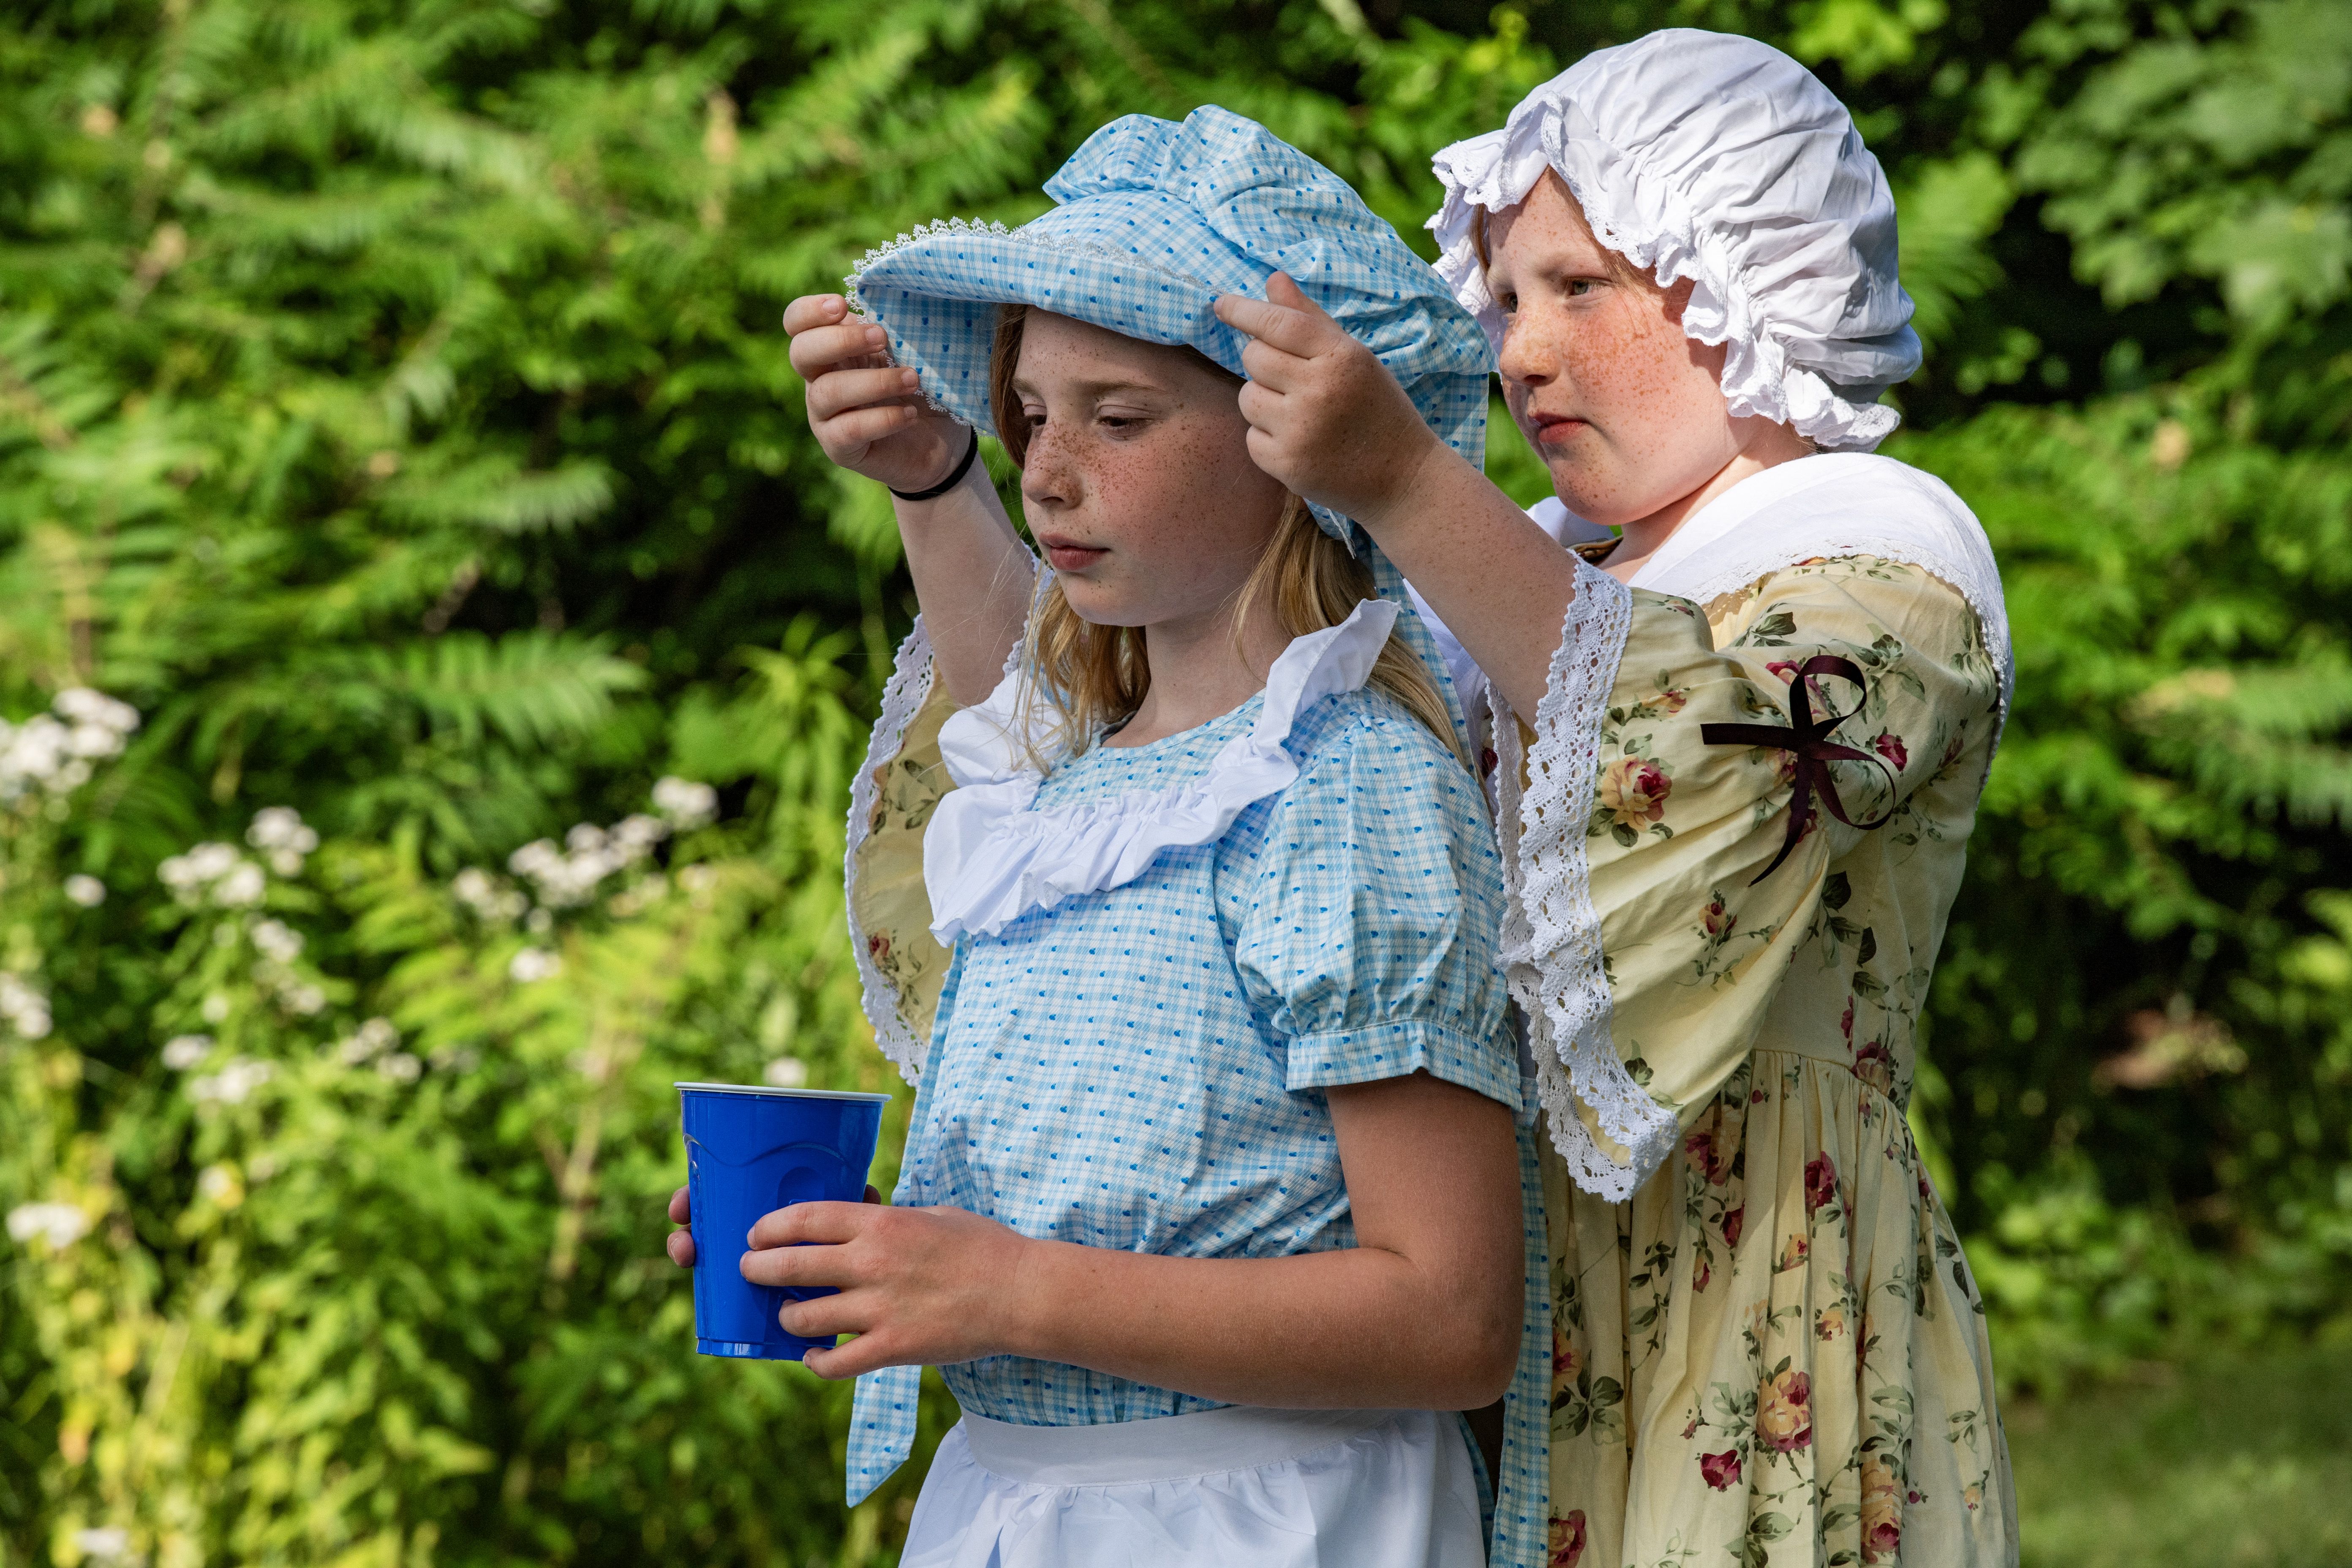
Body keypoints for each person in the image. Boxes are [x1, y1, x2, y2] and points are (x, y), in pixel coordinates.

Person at [667, 107, 1556, 1568]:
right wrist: (880, 1262)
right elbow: (1129, 1221)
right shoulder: (1072, 786)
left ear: (1293, 440)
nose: (1048, 469)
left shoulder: (1345, 789)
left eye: (1118, 417)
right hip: (1020, 1512)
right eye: (1028, 413)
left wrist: (1009, 1291)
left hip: (1265, 1521)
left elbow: (1452, 1320)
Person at [1209, 29, 2020, 1568]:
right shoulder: (1512, 573)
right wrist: (947, 498)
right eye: (1509, 296)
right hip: (1468, 1306)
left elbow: (1704, 761)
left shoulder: (1880, 557)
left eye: (1582, 288)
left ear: (1746, 275)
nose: (1518, 351)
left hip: (1753, 1310)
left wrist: (1403, 483)